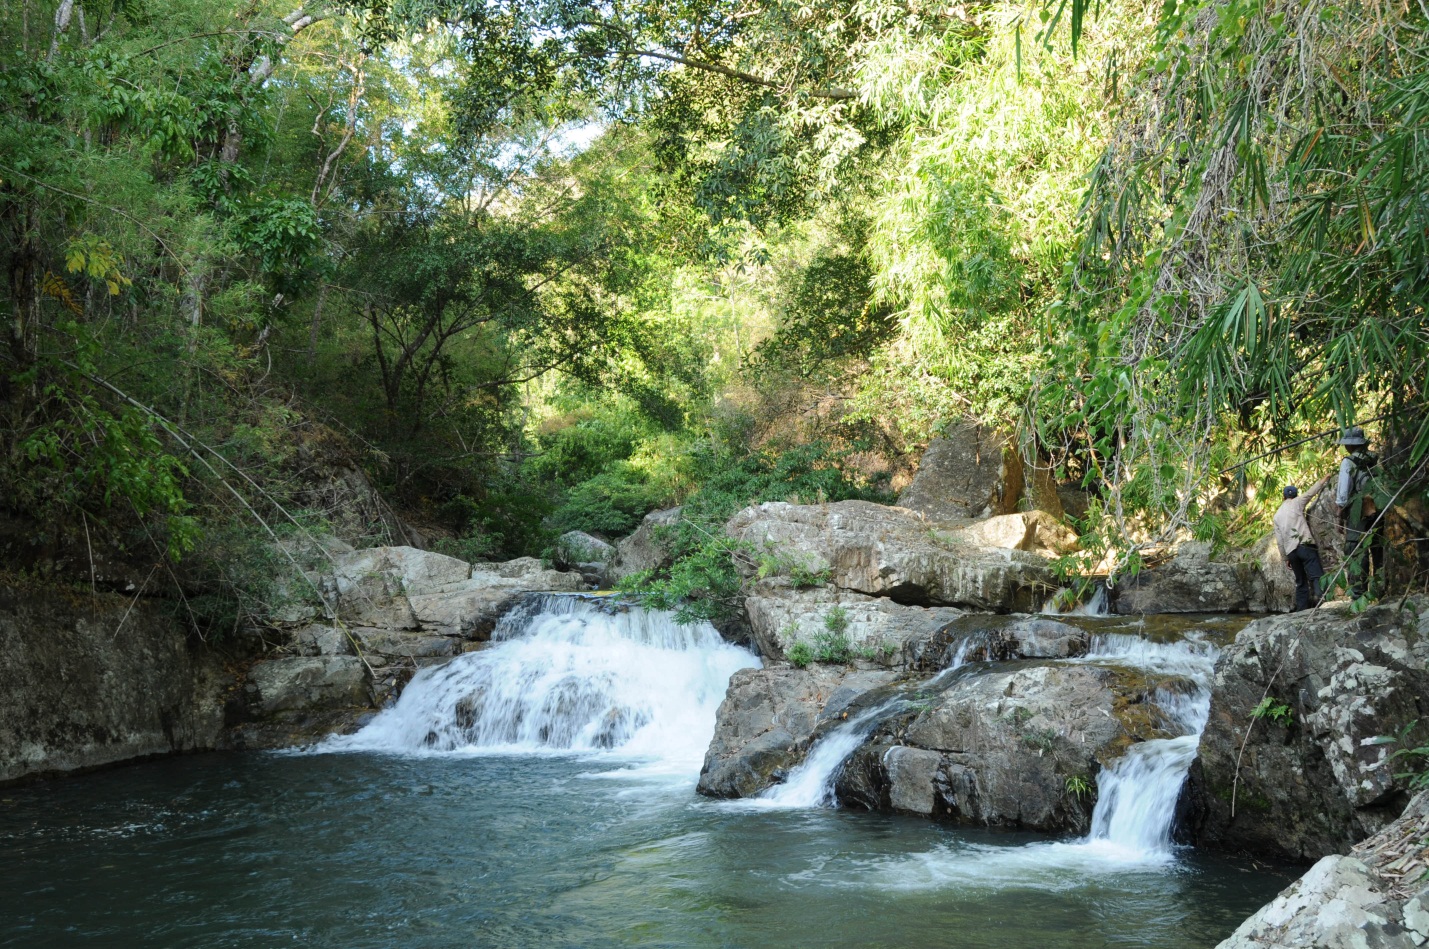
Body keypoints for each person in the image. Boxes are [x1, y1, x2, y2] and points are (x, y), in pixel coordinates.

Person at [1334, 426, 1384, 599]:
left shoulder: (1348, 462)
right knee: (1377, 549)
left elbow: (1343, 493)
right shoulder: (1373, 458)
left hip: (1358, 511)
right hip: (1377, 509)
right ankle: (1380, 591)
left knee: (1356, 550)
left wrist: (1339, 515)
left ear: (1349, 445)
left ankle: (1358, 594)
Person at [1273, 476, 1329, 611]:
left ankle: (1301, 610)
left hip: (1291, 552)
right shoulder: (1298, 502)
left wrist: (1285, 558)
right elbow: (1311, 492)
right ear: (1296, 495)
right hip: (1305, 545)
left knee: (1300, 582)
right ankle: (1321, 603)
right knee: (1316, 575)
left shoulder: (1277, 515)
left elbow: (1280, 541)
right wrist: (1325, 478)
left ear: (1283, 497)